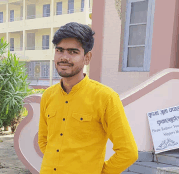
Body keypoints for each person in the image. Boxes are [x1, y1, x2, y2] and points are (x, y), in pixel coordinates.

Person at [38, 22, 138, 174]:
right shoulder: (48, 95)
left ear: (87, 57)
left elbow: (128, 151)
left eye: (73, 52)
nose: (64, 57)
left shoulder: (105, 98)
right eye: (59, 50)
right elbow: (44, 141)